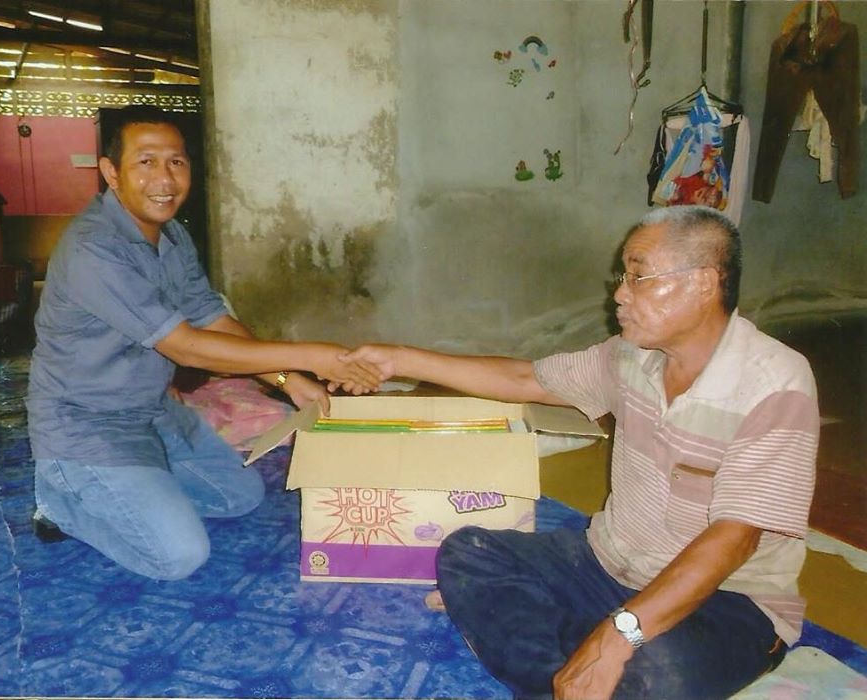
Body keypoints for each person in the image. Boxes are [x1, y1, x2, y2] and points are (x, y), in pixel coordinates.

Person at [342, 205, 819, 700]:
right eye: (623, 277)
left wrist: (621, 634)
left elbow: (734, 539)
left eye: (638, 277)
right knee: (470, 555)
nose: (619, 294)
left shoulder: (774, 384)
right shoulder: (631, 356)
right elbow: (525, 379)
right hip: (608, 564)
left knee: (662, 673)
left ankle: (577, 652)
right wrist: (397, 358)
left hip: (725, 597)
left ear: (702, 283)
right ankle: (579, 664)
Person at [27, 105, 380, 581]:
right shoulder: (95, 249)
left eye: (176, 162)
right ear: (112, 172)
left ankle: (132, 486)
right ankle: (61, 500)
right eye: (146, 162)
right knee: (178, 556)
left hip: (150, 409)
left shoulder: (172, 236)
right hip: (85, 424)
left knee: (239, 497)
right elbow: (188, 347)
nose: (165, 179)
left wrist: (288, 379)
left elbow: (211, 317)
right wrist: (315, 355)